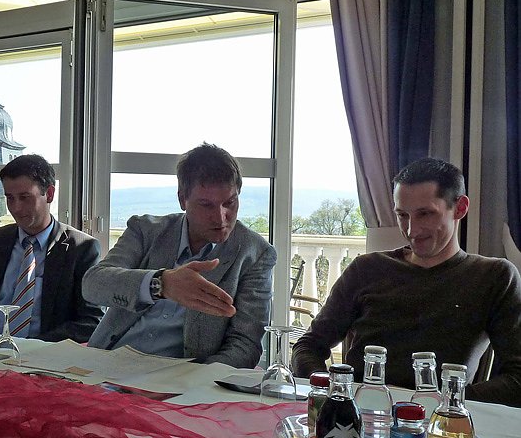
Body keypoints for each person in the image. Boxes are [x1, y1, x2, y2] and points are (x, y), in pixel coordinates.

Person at [292, 157, 521, 407]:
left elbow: (517, 379)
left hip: (441, 421)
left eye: (425, 214)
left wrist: (447, 404)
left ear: (460, 208)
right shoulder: (366, 269)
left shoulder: (494, 277)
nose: (412, 230)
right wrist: (335, 395)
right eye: (403, 215)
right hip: (360, 415)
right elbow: (308, 346)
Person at [83, 143, 277, 369]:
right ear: (182, 199)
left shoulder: (254, 253)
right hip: (105, 364)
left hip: (181, 377)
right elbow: (93, 285)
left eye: (229, 203)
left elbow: (245, 346)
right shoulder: (146, 230)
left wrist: (192, 379)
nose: (220, 217)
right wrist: (161, 284)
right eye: (206, 205)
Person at [0, 154, 103, 342]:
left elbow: (91, 321)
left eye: (25, 197)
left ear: (49, 194)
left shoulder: (81, 249)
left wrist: (35, 347)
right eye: (10, 198)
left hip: (42, 350)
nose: (16, 208)